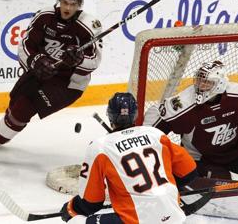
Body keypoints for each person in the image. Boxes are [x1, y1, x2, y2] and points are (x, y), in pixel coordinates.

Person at [0, 0, 103, 163]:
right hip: (41, 72)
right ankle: (4, 130)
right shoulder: (44, 16)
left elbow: (94, 62)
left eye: (72, 4)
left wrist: (78, 60)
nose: (67, 8)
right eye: (65, 2)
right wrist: (35, 61)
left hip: (67, 83)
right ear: (59, 0)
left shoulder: (89, 26)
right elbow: (25, 46)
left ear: (79, 5)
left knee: (24, 108)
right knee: (16, 100)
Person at [60, 92, 198, 224]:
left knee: (77, 220)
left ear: (110, 115)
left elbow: (90, 203)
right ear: (135, 115)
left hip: (135, 221)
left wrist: (71, 207)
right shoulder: (155, 134)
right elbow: (190, 172)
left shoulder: (99, 147)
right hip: (174, 215)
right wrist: (158, 191)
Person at [143, 60, 238, 190]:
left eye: (207, 82)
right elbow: (155, 120)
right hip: (203, 160)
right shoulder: (183, 104)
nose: (201, 86)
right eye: (199, 80)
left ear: (220, 84)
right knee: (225, 190)